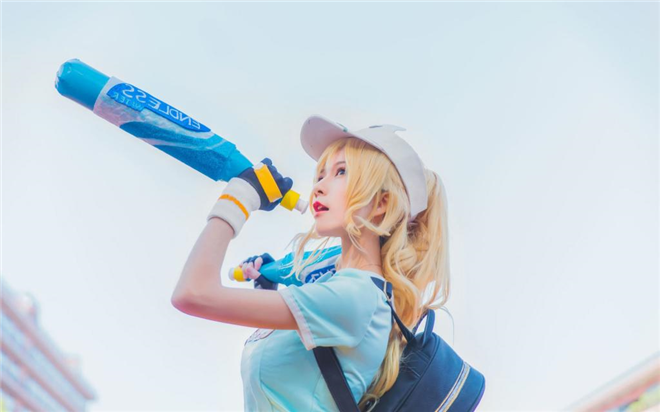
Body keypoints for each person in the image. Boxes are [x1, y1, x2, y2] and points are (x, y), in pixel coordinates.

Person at [171, 114, 451, 412]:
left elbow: (193, 294)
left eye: (341, 172)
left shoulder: (356, 295)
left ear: (382, 203)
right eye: (320, 175)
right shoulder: (343, 292)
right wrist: (267, 293)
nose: (318, 187)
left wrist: (240, 197)